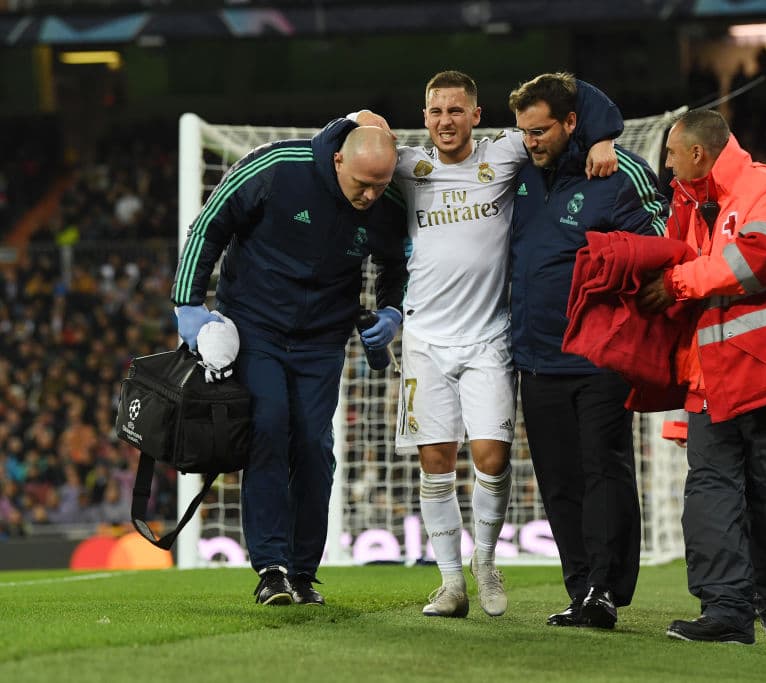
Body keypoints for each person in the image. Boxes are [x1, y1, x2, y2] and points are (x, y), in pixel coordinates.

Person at [357, 70, 622, 619]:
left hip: (488, 338)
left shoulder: (506, 153)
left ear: (476, 116)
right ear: (424, 115)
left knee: (491, 459)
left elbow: (570, 95)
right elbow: (347, 138)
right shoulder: (406, 166)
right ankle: (451, 584)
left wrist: (602, 136)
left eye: (456, 111)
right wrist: (366, 122)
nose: (445, 121)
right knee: (435, 463)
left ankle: (485, 564)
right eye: (435, 111)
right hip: (425, 340)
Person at [171, 122, 408, 606]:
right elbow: (210, 222)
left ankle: (303, 572)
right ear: (339, 159)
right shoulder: (277, 167)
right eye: (362, 183)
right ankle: (271, 568)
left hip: (323, 339)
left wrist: (391, 309)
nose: (369, 195)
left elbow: (397, 265)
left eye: (380, 185)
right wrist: (187, 304)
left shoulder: (388, 202)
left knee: (315, 447)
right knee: (269, 425)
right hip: (255, 327)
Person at [637, 109, 766, 648]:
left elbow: (762, 258)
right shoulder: (695, 208)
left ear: (697, 153)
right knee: (711, 499)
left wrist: (679, 282)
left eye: (672, 156)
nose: (668, 168)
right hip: (714, 384)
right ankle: (726, 610)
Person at [508, 72, 668, 630]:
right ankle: (581, 589)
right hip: (536, 355)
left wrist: (607, 134)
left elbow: (660, 239)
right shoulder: (519, 170)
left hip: (600, 354)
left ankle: (606, 587)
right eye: (524, 131)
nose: (531, 141)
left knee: (604, 468)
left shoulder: (616, 170)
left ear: (573, 121)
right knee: (558, 478)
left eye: (542, 130)